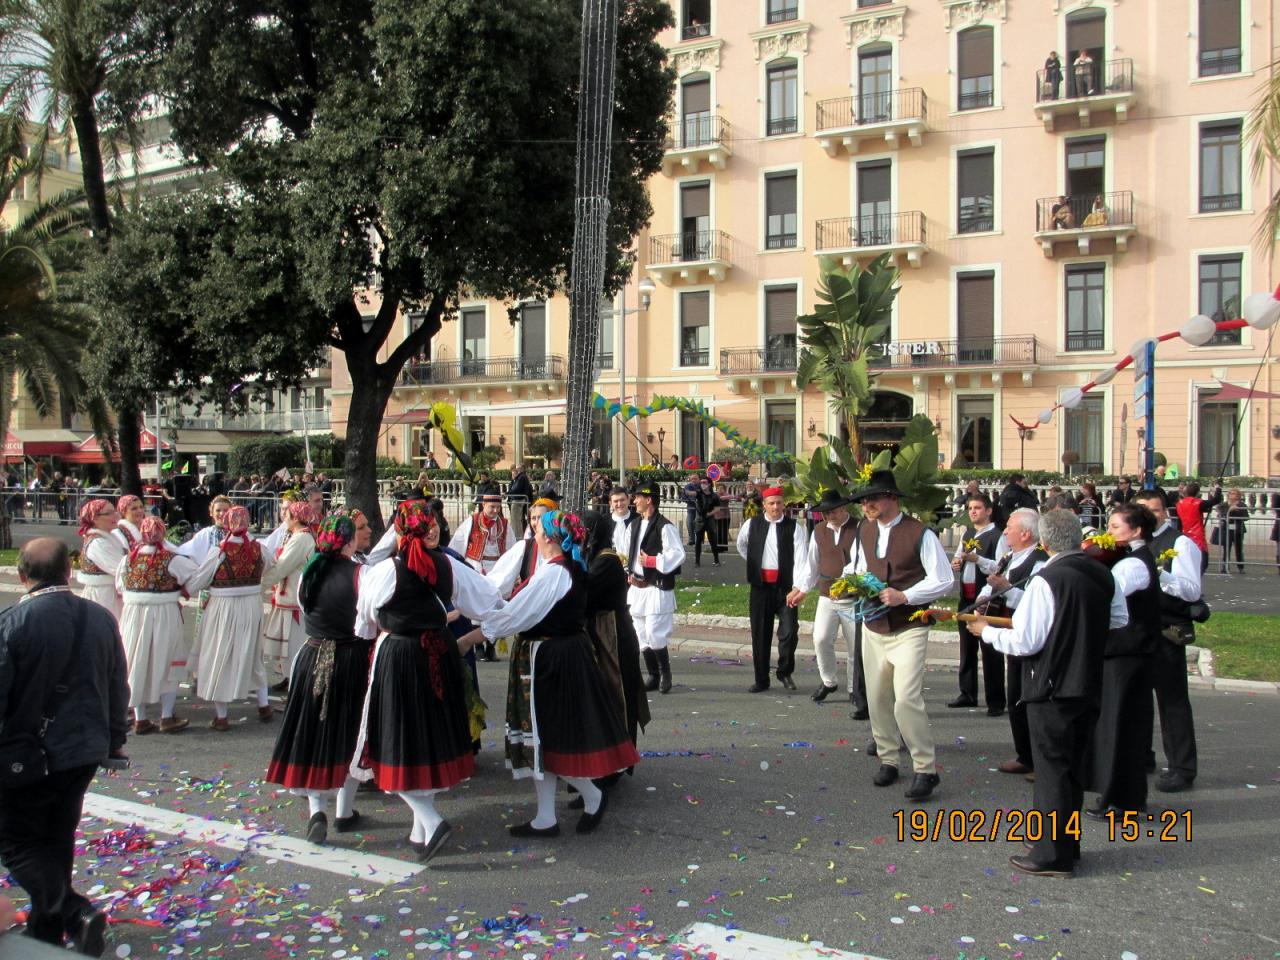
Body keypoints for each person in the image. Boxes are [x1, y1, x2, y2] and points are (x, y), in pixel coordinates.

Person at [459, 510, 642, 837]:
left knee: (548, 736)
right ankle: (547, 816)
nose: (535, 533)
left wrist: (467, 639)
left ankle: (592, 795)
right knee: (544, 738)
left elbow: (514, 615)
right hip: (556, 656)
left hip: (552, 659)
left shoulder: (554, 574)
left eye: (539, 529)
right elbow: (516, 608)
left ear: (548, 537)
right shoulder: (566, 567)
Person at [969, 509, 1128, 876]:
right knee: (1070, 769)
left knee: (1052, 770)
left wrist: (986, 632)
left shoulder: (1047, 579)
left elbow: (1026, 640)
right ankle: (1064, 843)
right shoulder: (1101, 573)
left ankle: (1051, 854)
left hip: (1053, 684)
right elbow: (1119, 620)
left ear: (1043, 541)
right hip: (1086, 682)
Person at [352, 500, 500, 861]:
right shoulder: (447, 564)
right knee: (427, 741)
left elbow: (364, 623)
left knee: (397, 742)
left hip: (401, 656)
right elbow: (488, 602)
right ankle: (420, 828)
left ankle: (430, 820)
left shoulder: (386, 570)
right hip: (439, 654)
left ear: (399, 532)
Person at [0, 538, 128, 955]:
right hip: (85, 750)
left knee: (16, 843)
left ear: (23, 577)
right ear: (67, 572)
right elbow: (116, 685)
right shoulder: (101, 617)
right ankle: (47, 930)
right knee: (56, 839)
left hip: (29, 754)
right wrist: (115, 740)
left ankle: (75, 914)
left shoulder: (14, 622)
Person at [843, 471, 954, 801]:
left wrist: (906, 596)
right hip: (874, 625)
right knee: (877, 698)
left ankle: (925, 769)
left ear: (892, 497)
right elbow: (857, 566)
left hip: (909, 627)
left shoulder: (920, 533)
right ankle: (888, 759)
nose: (867, 504)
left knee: (906, 698)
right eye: (864, 499)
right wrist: (850, 584)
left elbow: (943, 579)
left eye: (873, 498)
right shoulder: (864, 529)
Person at [267, 510, 375, 843]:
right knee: (351, 734)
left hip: (312, 657)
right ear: (349, 539)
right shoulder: (362, 574)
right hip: (350, 657)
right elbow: (370, 620)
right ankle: (343, 810)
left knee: (314, 734)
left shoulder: (309, 575)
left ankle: (317, 809)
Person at [1088, 502, 1162, 822]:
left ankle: (1121, 799)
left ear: (1136, 530)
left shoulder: (1133, 565)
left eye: (1116, 527)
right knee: (1118, 726)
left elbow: (1110, 596)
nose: (1109, 533)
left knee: (1120, 727)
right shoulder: (1126, 559)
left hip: (1128, 655)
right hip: (1125, 654)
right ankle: (1121, 796)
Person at [117, 517, 216, 734]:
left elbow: (120, 584)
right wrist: (183, 590)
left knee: (137, 660)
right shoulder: (172, 559)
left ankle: (140, 718)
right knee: (168, 660)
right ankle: (166, 716)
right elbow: (196, 578)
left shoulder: (128, 559)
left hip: (133, 615)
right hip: (163, 613)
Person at [1135, 490, 1201, 794]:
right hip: (1137, 630)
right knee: (1136, 698)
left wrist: (1159, 575)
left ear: (1166, 512)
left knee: (1172, 701)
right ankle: (1142, 756)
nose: (1150, 515)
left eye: (1155, 510)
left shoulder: (1179, 543)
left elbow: (1190, 591)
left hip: (1166, 629)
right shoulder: (1133, 542)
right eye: (1142, 510)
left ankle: (1182, 767)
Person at [190, 506, 276, 730]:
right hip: (251, 605)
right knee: (252, 652)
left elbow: (198, 581)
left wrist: (184, 587)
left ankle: (222, 716)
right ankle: (263, 704)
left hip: (224, 607)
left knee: (221, 655)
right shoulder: (259, 548)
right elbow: (271, 565)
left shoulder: (220, 551)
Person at [979, 508, 1048, 778]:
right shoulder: (1009, 557)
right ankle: (1025, 755)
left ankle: (1039, 760)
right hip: (1009, 630)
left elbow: (1035, 603)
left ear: (1026, 533)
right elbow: (992, 586)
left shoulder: (1040, 562)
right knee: (1015, 697)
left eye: (1009, 527)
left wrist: (1006, 588)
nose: (1004, 531)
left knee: (1028, 698)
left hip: (1029, 636)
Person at [581, 511, 649, 757]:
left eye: (583, 531)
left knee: (616, 692)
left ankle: (616, 757)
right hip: (603, 631)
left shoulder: (606, 561)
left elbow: (584, 594)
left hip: (612, 635)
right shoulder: (596, 556)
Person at [795, 490, 863, 710]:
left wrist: (846, 582)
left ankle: (855, 688)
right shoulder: (819, 531)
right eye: (825, 512)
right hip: (827, 594)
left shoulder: (859, 528)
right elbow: (812, 564)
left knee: (855, 645)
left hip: (852, 597)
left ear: (843, 508)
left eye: (833, 511)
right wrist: (802, 589)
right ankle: (829, 681)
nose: (829, 516)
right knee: (821, 638)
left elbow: (862, 563)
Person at [737, 486, 809, 692]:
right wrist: (754, 563)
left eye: (779, 503)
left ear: (784, 504)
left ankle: (784, 672)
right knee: (760, 634)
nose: (775, 507)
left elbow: (801, 559)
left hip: (786, 588)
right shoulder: (752, 524)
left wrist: (797, 586)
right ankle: (761, 679)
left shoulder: (795, 527)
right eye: (771, 503)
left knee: (789, 632)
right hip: (760, 588)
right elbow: (743, 546)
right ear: (764, 505)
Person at [948, 494, 1006, 715]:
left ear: (989, 511)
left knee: (990, 650)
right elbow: (959, 556)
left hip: (987, 597)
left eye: (978, 508)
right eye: (970, 508)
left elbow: (1000, 566)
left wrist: (978, 559)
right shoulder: (968, 534)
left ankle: (996, 700)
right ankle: (967, 692)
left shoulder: (996, 536)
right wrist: (957, 561)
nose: (973, 512)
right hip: (967, 596)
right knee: (966, 647)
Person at [625, 482, 685, 695]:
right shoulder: (633, 525)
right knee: (641, 633)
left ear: (649, 499)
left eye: (637, 497)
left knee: (654, 632)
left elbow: (678, 554)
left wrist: (651, 561)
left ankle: (665, 672)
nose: (634, 501)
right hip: (637, 588)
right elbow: (627, 552)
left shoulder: (665, 526)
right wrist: (628, 571)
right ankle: (653, 674)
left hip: (656, 588)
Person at [450, 494, 517, 660]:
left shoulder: (506, 525)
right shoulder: (471, 521)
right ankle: (477, 646)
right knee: (476, 606)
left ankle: (491, 646)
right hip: (476, 567)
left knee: (494, 607)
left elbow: (512, 549)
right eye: (491, 507)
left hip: (497, 568)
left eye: (497, 507)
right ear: (483, 505)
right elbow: (457, 545)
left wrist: (513, 572)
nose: (495, 511)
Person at [261, 501, 318, 690]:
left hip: (294, 603)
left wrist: (257, 585)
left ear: (295, 518)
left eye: (287, 514)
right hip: (290, 599)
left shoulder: (301, 539)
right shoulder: (298, 536)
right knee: (288, 652)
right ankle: (293, 687)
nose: (283, 517)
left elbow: (282, 567)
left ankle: (297, 692)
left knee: (294, 651)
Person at [76, 498, 126, 621]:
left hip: (110, 594)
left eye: (114, 511)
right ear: (94, 518)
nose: (115, 516)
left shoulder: (109, 537)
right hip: (103, 597)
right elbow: (121, 568)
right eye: (108, 513)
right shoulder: (98, 543)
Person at [1175, 481, 1222, 570]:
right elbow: (1216, 500)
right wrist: (1218, 488)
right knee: (1203, 562)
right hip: (1197, 535)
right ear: (1197, 493)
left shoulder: (1179, 504)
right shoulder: (1198, 503)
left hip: (1184, 534)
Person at [690, 476, 723, 566]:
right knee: (698, 542)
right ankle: (697, 562)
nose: (702, 484)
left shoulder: (714, 496)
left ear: (709, 484)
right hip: (700, 521)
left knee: (713, 541)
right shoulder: (699, 494)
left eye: (704, 482)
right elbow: (690, 493)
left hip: (710, 521)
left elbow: (718, 508)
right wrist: (685, 491)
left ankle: (716, 560)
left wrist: (710, 514)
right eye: (701, 482)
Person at [1221, 488, 1249, 574]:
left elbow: (1246, 517)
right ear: (1228, 495)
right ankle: (1225, 567)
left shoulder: (1242, 505)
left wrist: (1238, 511)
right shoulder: (1224, 504)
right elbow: (1221, 514)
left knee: (1239, 549)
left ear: (1239, 496)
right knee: (1226, 549)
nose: (1233, 495)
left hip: (1238, 530)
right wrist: (1230, 510)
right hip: (1227, 529)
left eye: (1235, 494)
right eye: (1231, 493)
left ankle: (1240, 567)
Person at [506, 464, 534, 535]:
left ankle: (517, 537)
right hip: (518, 500)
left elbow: (516, 489)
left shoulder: (522, 477)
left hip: (518, 500)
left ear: (522, 469)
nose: (516, 469)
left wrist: (507, 493)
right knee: (516, 520)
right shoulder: (520, 477)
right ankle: (517, 536)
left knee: (516, 521)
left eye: (518, 468)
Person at [608, 486, 635, 556]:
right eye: (615, 501)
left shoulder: (638, 519)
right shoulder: (604, 521)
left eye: (622, 500)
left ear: (628, 500)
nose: (619, 504)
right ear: (610, 503)